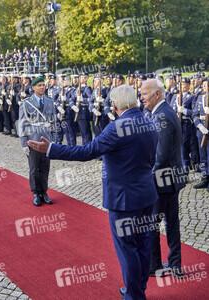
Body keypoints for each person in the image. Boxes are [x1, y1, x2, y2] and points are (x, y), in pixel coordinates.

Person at [28, 84, 159, 300]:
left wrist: (51, 149)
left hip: (123, 200)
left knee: (128, 250)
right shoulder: (149, 123)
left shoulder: (116, 128)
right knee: (143, 245)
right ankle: (138, 289)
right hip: (146, 195)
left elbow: (87, 151)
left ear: (115, 104)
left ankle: (134, 295)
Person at [140, 79, 186, 279]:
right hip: (170, 179)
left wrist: (146, 178)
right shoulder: (162, 111)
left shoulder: (162, 116)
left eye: (144, 93)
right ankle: (175, 265)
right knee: (171, 223)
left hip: (162, 180)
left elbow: (161, 155)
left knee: (153, 223)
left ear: (156, 94)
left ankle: (155, 266)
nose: (141, 97)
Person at [18, 77, 56, 206]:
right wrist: (24, 143)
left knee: (45, 168)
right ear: (33, 87)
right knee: (34, 169)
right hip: (33, 140)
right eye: (39, 85)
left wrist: (54, 139)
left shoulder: (50, 102)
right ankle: (35, 193)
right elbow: (22, 123)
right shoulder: (26, 102)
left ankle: (44, 192)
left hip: (46, 140)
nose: (42, 87)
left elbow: (54, 121)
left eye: (43, 85)